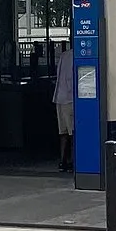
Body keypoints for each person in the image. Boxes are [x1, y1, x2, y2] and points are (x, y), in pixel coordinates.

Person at [52, 40, 76, 173]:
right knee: (73, 133)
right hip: (70, 98)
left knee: (63, 132)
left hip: (59, 98)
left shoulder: (64, 55)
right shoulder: (76, 56)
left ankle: (62, 160)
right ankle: (74, 160)